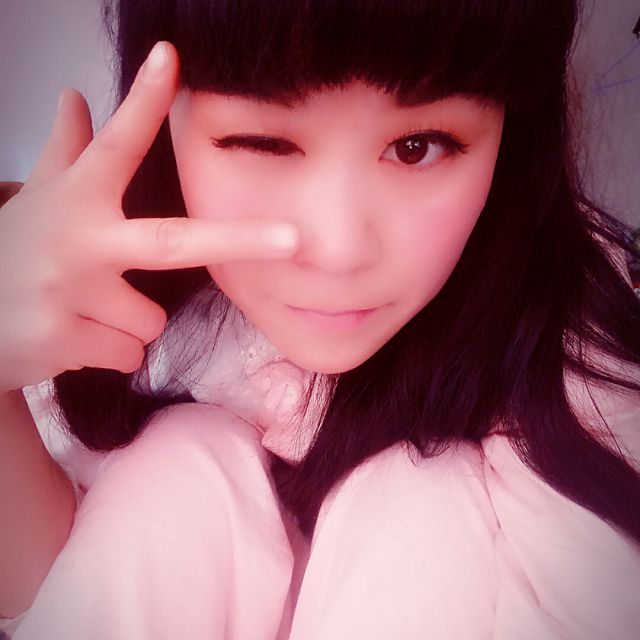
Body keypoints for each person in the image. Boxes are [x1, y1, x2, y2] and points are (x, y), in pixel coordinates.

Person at [1, 0, 640, 637]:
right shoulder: (114, 290)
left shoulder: (568, 346)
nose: (339, 251)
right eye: (265, 142)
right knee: (181, 459)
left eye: (416, 147)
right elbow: (55, 588)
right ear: (167, 116)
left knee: (421, 489)